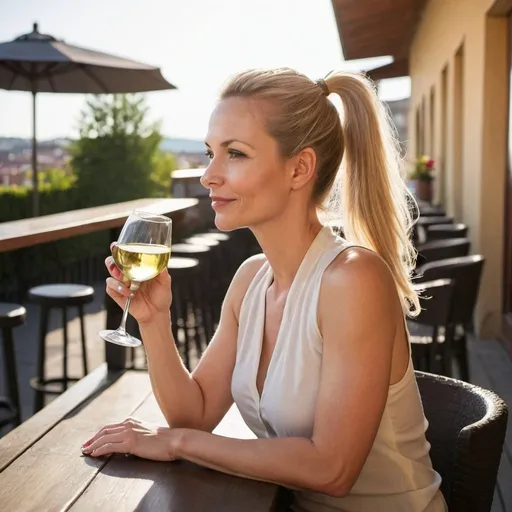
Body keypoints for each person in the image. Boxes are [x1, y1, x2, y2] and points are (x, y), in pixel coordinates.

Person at [82, 68, 447, 511]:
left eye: (234, 154)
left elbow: (331, 469)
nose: (207, 176)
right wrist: (154, 321)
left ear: (299, 168)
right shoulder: (252, 279)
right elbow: (193, 415)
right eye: (209, 152)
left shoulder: (353, 279)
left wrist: (176, 442)